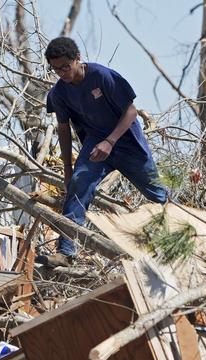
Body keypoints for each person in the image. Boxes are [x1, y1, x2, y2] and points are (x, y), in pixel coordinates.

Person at [38, 37, 168, 267]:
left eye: (65, 67)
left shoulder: (102, 76)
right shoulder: (59, 93)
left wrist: (111, 141)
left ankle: (184, 237)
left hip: (127, 143)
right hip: (96, 145)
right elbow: (63, 128)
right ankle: (66, 252)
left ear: (77, 59)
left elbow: (131, 112)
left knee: (158, 195)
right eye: (56, 69)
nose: (62, 73)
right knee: (78, 184)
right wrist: (68, 169)